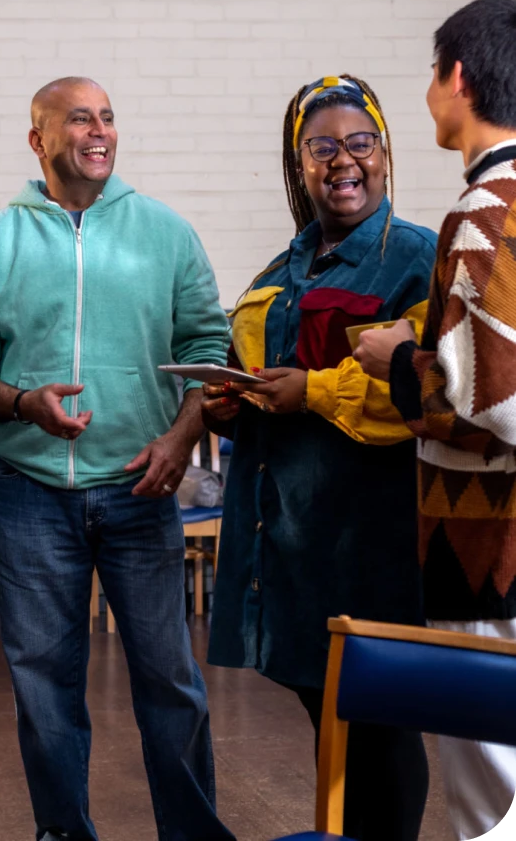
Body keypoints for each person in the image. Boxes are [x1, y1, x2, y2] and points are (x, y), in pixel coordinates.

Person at [0, 77, 233, 841]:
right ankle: (64, 833)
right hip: (31, 492)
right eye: (79, 118)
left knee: (171, 682)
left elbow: (209, 350)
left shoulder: (165, 233)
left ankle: (194, 833)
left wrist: (179, 440)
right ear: (38, 139)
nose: (98, 130)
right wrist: (18, 400)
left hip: (142, 485)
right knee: (45, 689)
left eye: (107, 117)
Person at [203, 75, 436, 840]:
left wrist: (314, 391)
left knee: (381, 729)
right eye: (323, 147)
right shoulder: (278, 274)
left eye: (360, 142)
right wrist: (233, 404)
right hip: (288, 546)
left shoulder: (419, 262)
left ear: (386, 153)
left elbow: (424, 395)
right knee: (330, 721)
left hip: (368, 543)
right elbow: (267, 391)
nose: (344, 161)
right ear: (298, 164)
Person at [356, 0, 516, 841]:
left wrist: (400, 361)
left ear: (458, 77)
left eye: (431, 72)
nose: (428, 90)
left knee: (491, 791)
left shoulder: (483, 212)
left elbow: (490, 404)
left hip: (488, 542)